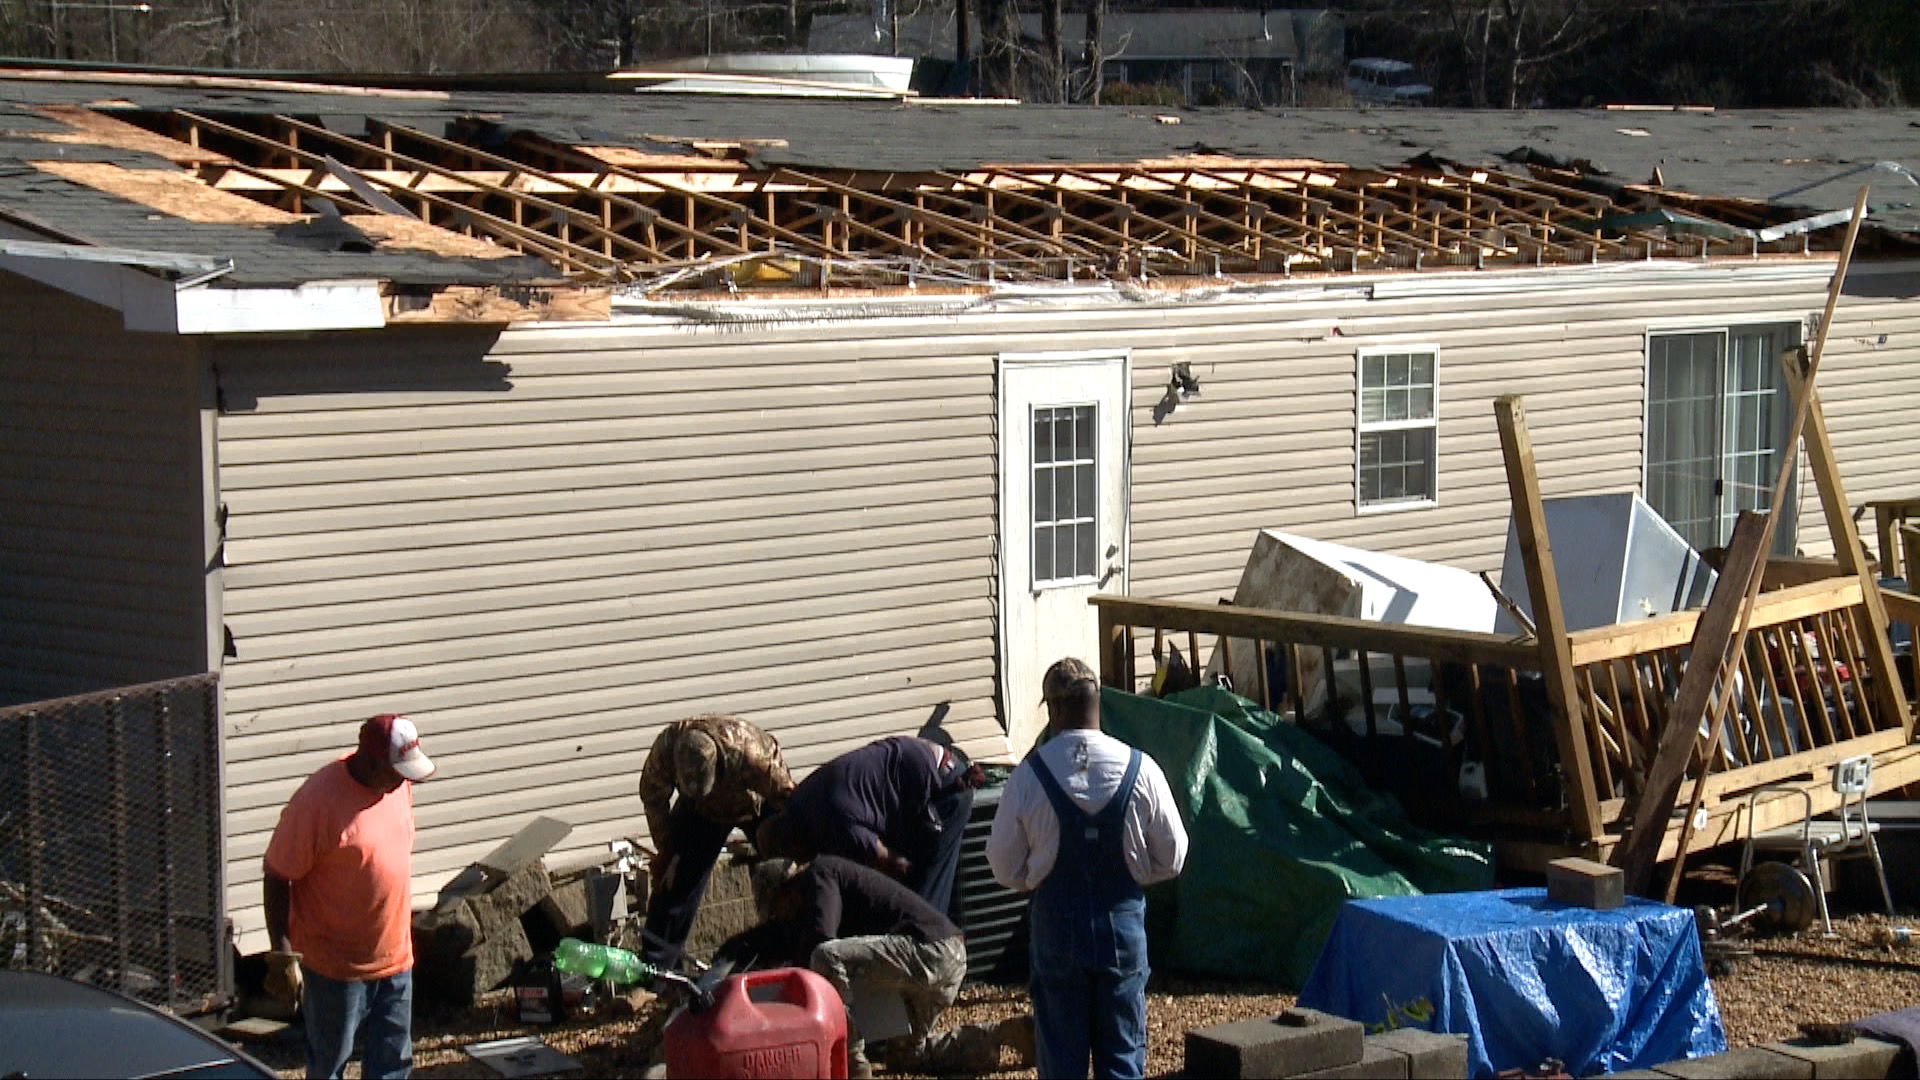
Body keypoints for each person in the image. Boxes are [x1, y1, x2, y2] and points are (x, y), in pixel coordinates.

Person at [987, 658, 1190, 1080]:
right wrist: (1136, 874)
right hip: (1122, 928)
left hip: (1057, 929)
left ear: (1055, 709)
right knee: (1122, 1058)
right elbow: (1173, 856)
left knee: (1061, 1061)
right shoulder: (1141, 768)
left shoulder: (1029, 776)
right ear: (1097, 703)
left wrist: (1033, 875)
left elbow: (1003, 865)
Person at [739, 855, 1029, 1079]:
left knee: (824, 957)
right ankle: (1003, 1036)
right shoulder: (823, 887)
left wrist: (788, 975)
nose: (781, 917)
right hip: (947, 960)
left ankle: (851, 1061)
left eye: (776, 908)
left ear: (786, 889)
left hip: (931, 951)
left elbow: (822, 938)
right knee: (907, 1058)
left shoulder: (819, 873)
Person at [262, 713, 437, 1080]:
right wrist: (282, 952)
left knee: (393, 1067)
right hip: (335, 972)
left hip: (395, 961)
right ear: (370, 761)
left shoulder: (397, 786)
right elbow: (278, 874)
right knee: (329, 1067)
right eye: (396, 772)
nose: (403, 781)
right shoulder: (318, 801)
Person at [754, 735, 986, 915]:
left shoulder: (834, 824)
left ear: (794, 844)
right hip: (911, 782)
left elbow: (894, 864)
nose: (801, 865)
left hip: (944, 787)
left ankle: (935, 956)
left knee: (920, 905)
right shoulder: (799, 802)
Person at [636, 713, 794, 966]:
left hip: (755, 799)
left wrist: (791, 841)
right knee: (676, 878)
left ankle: (792, 945)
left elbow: (787, 798)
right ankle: (658, 966)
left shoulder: (752, 755)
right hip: (700, 812)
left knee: (783, 869)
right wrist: (666, 849)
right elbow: (652, 796)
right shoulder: (666, 749)